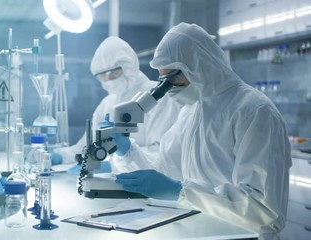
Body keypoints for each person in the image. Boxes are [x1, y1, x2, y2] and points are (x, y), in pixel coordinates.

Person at [112, 23, 292, 239]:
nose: (169, 88)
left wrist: (180, 192)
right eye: (164, 81)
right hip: (200, 231)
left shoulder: (254, 111)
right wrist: (127, 152)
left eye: (174, 78)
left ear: (200, 65)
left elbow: (264, 211)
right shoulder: (191, 113)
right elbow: (163, 172)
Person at [51, 36, 182, 171]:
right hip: (111, 182)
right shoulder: (107, 104)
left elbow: (160, 152)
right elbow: (86, 147)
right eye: (102, 76)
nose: (108, 80)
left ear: (128, 66)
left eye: (113, 73)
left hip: (147, 181)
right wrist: (61, 156)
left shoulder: (157, 98)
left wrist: (112, 165)